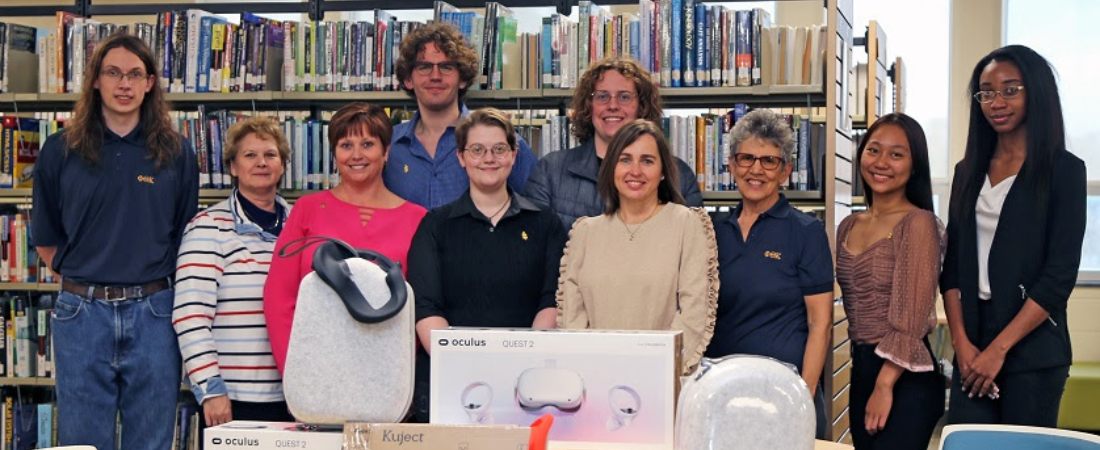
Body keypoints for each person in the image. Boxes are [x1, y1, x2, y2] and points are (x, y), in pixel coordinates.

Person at [30, 34, 198, 450]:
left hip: (156, 313)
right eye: (113, 73)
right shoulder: (59, 150)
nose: (124, 84)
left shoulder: (177, 153)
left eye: (135, 74)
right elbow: (47, 240)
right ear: (96, 82)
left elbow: (184, 235)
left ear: (150, 83)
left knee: (152, 439)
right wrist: (91, 280)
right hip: (81, 314)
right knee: (82, 442)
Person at [941, 45, 1086, 426]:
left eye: (1010, 89)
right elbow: (953, 268)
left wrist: (999, 349)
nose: (996, 102)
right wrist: (963, 346)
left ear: (1035, 92)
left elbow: (1058, 277)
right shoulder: (967, 171)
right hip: (972, 344)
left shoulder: (1064, 171)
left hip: (1032, 348)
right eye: (986, 92)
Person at [406, 108, 567, 422]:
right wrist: (465, 368)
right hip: (450, 385)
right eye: (477, 150)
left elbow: (553, 302)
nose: (488, 158)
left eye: (499, 149)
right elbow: (426, 309)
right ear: (461, 158)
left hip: (528, 386)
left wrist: (518, 366)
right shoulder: (435, 226)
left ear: (514, 155)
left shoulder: (545, 224)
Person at [264, 103, 427, 373]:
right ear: (334, 154)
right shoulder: (307, 209)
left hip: (387, 370)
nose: (356, 155)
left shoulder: (417, 218)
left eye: (367, 144)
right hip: (314, 367)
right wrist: (293, 371)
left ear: (386, 152)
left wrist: (401, 371)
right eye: (346, 145)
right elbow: (279, 298)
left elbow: (421, 306)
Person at [703, 109, 834, 438]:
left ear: (786, 171)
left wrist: (803, 395)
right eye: (746, 158)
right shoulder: (710, 231)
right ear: (731, 165)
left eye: (769, 161)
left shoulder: (806, 232)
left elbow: (820, 324)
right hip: (724, 395)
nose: (756, 170)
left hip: (784, 395)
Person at [556, 119, 717, 375]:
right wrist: (592, 369)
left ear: (663, 170)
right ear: (611, 168)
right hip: (595, 379)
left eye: (647, 161)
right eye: (625, 159)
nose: (635, 170)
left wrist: (656, 369)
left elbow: (693, 313)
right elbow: (572, 320)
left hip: (663, 379)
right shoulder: (585, 232)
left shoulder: (687, 224)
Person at [174, 117, 295, 427]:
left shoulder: (301, 226)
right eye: (250, 155)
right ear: (233, 167)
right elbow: (190, 315)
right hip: (232, 399)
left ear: (282, 165)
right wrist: (210, 388)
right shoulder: (208, 227)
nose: (261, 163)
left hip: (295, 396)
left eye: (270, 155)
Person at [836, 113, 944, 449]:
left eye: (897, 155)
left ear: (915, 166)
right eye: (874, 150)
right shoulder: (849, 225)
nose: (882, 163)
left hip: (903, 377)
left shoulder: (919, 223)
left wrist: (884, 385)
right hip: (863, 368)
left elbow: (912, 317)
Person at [526, 56, 703, 228]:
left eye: (624, 97)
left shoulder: (679, 175)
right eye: (602, 96)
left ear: (641, 106)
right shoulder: (551, 171)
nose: (612, 105)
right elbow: (534, 247)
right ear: (589, 106)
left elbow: (692, 245)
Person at [387, 22, 537, 209]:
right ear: (408, 79)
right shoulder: (388, 146)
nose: (435, 76)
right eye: (424, 67)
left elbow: (534, 216)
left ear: (463, 79)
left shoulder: (505, 143)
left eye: (446, 67)